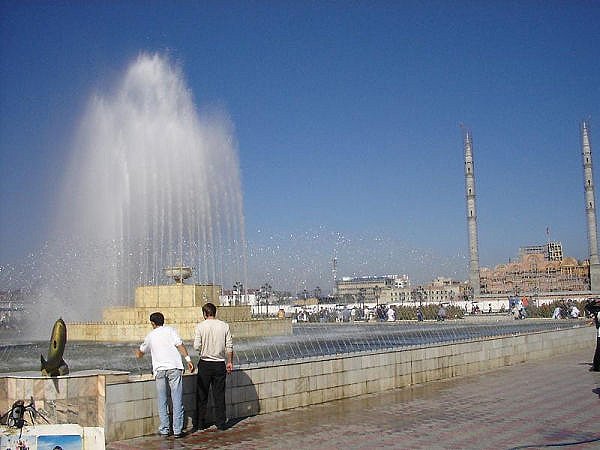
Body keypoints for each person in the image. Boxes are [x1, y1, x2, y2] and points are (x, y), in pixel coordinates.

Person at [135, 312, 194, 438]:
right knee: (177, 399)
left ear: (152, 323)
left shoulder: (150, 335)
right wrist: (188, 360)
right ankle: (177, 430)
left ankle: (165, 429)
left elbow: (141, 352)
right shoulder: (170, 330)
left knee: (162, 400)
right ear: (163, 321)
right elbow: (180, 345)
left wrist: (138, 354)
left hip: (160, 370)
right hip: (174, 367)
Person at [193, 302, 233, 431]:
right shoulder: (224, 326)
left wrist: (203, 350)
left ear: (205, 314)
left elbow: (196, 346)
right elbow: (229, 347)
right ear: (215, 313)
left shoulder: (200, 326)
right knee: (219, 395)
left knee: (202, 394)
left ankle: (200, 423)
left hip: (205, 363)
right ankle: (221, 423)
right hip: (219, 364)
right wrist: (229, 362)